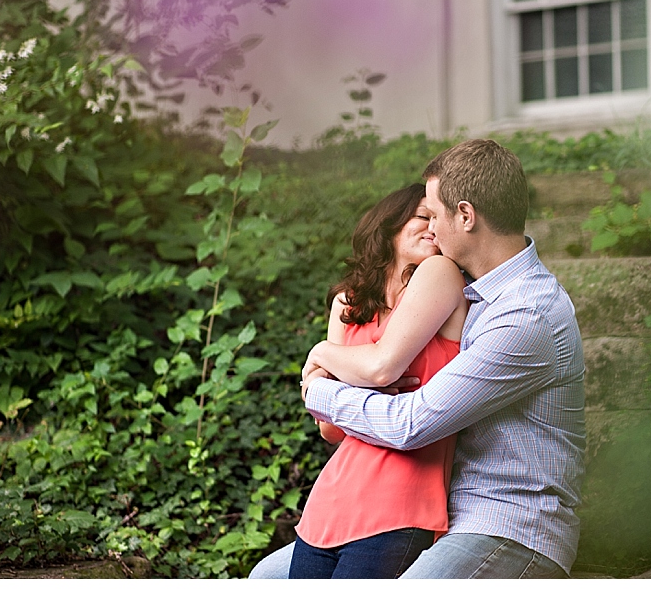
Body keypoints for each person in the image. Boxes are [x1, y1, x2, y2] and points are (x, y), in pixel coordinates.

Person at [249, 138, 585, 579]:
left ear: (464, 216)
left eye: (434, 213)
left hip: (507, 523)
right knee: (265, 579)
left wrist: (319, 388)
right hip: (440, 509)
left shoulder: (527, 315)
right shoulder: (471, 294)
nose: (430, 227)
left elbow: (412, 424)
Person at [286, 183, 469, 578]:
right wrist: (358, 391)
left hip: (402, 501)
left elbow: (380, 369)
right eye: (425, 216)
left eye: (440, 218)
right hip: (329, 504)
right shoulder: (347, 303)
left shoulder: (441, 273)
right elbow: (330, 427)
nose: (435, 227)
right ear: (391, 224)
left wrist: (321, 357)